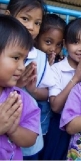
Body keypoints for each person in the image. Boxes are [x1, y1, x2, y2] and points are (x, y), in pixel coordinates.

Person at [6, 0, 56, 159]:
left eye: (37, 23)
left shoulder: (40, 57)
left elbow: (49, 92)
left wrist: (32, 90)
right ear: (8, 16)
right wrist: (15, 85)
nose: (31, 27)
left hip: (26, 133)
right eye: (25, 19)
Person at [43, 18, 81, 160]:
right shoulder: (56, 69)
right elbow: (55, 106)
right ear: (65, 43)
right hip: (60, 128)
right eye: (75, 42)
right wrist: (77, 77)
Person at [0, 14, 40, 160]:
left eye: (24, 59)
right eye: (16, 58)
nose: (22, 67)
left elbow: (30, 139)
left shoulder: (21, 99)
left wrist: (13, 129)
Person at [34, 13, 66, 159]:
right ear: (37, 37)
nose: (53, 48)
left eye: (58, 44)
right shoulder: (32, 59)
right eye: (48, 42)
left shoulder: (57, 63)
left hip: (44, 124)